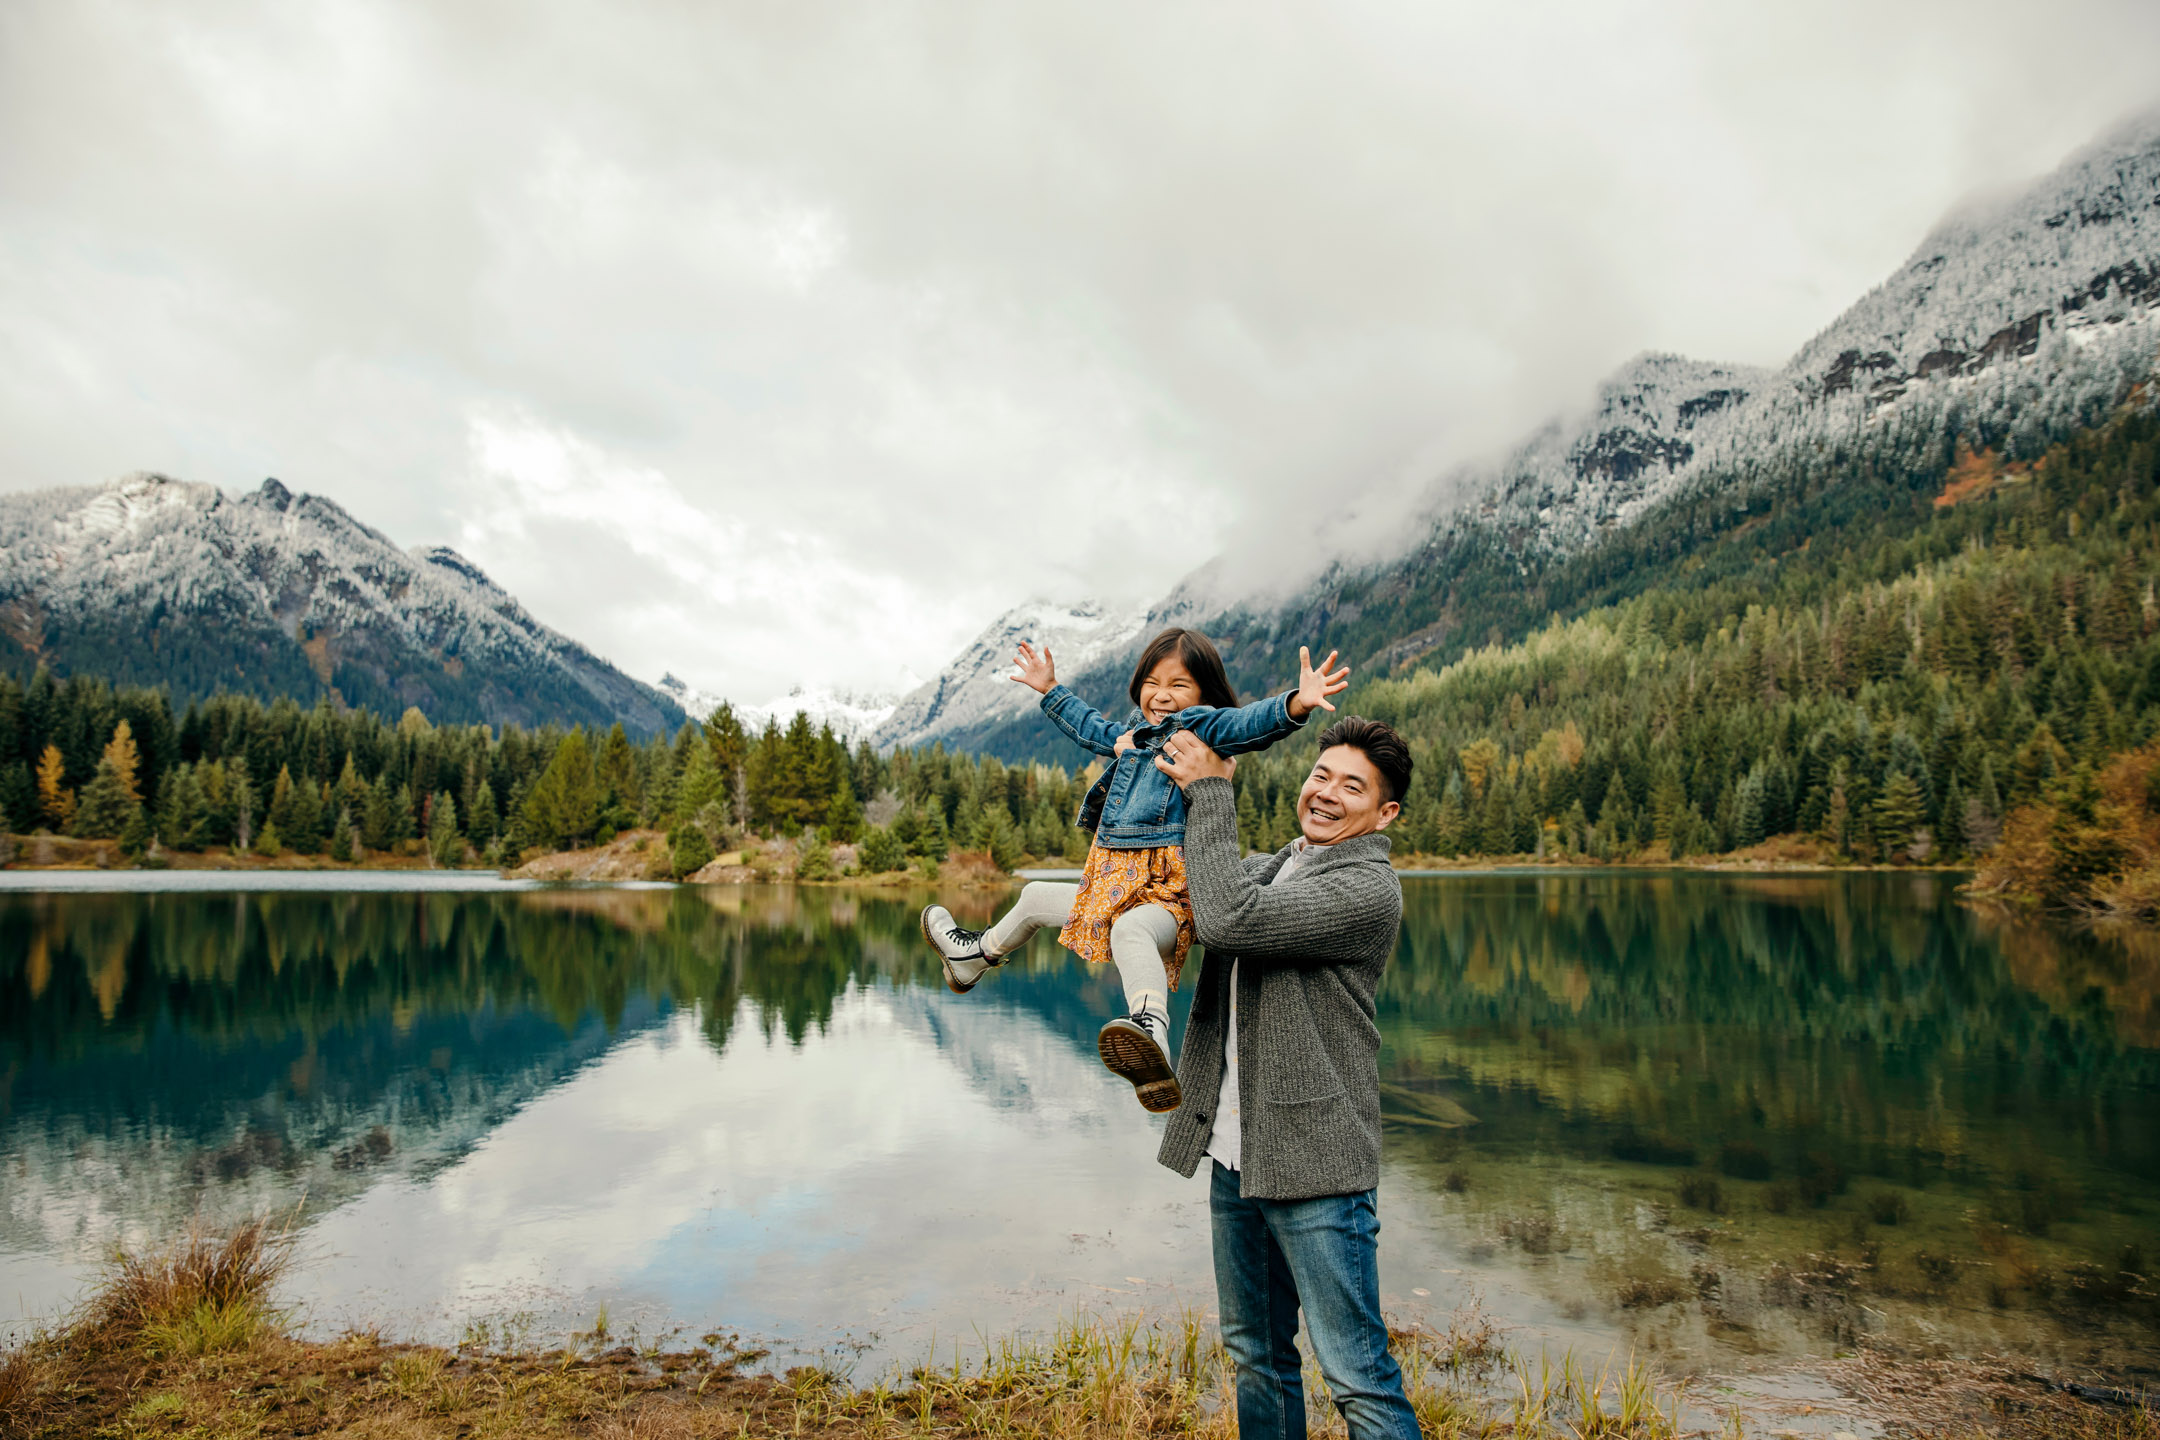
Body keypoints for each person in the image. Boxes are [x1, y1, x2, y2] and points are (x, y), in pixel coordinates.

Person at [918, 628, 1349, 1113]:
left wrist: (1296, 704)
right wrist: (1049, 690)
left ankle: (1150, 1037)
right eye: (1152, 681)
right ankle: (974, 957)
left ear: (1202, 695)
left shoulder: (1201, 729)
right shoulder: (1134, 735)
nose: (1162, 695)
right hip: (1116, 881)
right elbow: (1091, 728)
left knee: (1132, 930)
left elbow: (1247, 724)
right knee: (1037, 896)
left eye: (1179, 685)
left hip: (1168, 892)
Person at [1152, 715, 1421, 1440]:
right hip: (1241, 1157)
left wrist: (1213, 793)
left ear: (1384, 812)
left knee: (1360, 1378)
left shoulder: (1368, 889)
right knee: (1257, 1358)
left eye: (1352, 786)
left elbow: (1230, 920)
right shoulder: (1282, 864)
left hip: (1320, 1167)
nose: (1327, 792)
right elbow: (1197, 897)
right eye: (1321, 775)